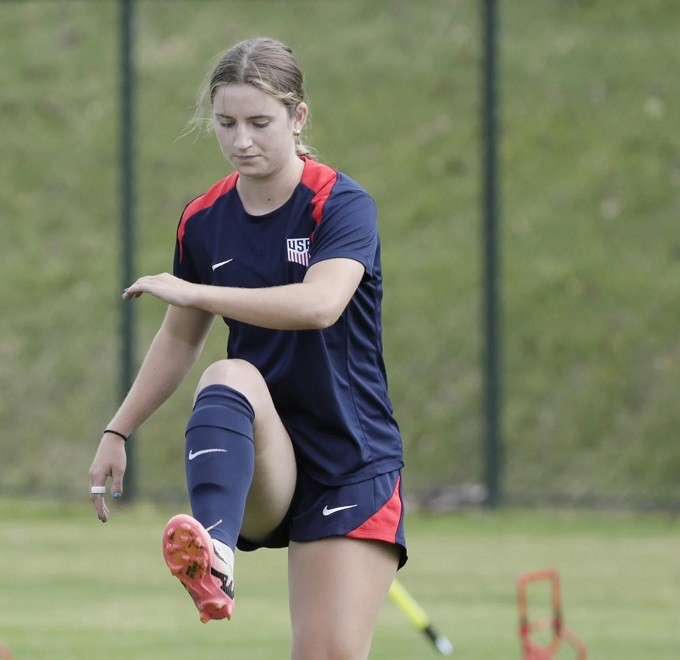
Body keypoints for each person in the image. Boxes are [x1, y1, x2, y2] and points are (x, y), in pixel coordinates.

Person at [88, 37, 406, 659]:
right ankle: (215, 552)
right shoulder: (203, 219)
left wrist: (198, 289)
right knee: (228, 372)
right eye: (226, 123)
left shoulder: (340, 204)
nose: (242, 140)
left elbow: (319, 306)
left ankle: (219, 550)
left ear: (298, 118)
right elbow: (181, 335)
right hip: (265, 457)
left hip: (350, 459)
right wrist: (117, 431)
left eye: (260, 122)